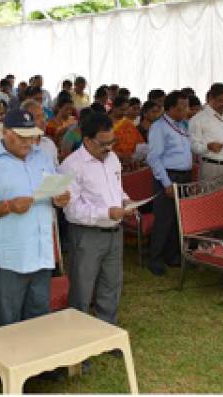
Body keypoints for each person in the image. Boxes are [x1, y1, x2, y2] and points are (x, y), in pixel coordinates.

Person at [0, 110, 71, 327]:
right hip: (9, 259)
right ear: (4, 133)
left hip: (41, 253)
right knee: (8, 325)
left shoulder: (42, 156)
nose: (28, 142)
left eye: (31, 136)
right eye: (22, 137)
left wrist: (59, 198)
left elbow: (52, 191)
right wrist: (8, 207)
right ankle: (10, 361)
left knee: (38, 318)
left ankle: (37, 361)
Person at [58, 112, 133, 324]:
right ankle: (80, 340)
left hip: (114, 232)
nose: (109, 148)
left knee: (111, 285)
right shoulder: (71, 165)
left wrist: (126, 201)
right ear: (87, 140)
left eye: (112, 141)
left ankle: (107, 332)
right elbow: (71, 210)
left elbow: (117, 189)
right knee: (82, 289)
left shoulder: (112, 159)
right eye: (104, 143)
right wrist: (106, 213)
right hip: (87, 234)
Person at [144, 91, 192, 276]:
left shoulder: (182, 125)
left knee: (177, 219)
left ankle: (172, 255)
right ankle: (155, 258)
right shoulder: (159, 127)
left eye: (187, 107)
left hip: (184, 175)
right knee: (164, 219)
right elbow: (153, 158)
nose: (186, 111)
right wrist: (166, 183)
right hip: (168, 176)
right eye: (182, 108)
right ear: (171, 108)